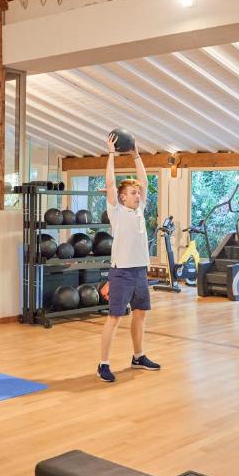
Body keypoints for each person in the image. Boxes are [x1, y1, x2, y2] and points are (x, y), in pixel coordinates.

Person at [98, 133, 160, 383]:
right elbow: (110, 182)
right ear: (123, 197)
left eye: (138, 193)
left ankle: (138, 356)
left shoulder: (140, 210)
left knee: (140, 313)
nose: (137, 195)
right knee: (114, 318)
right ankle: (103, 363)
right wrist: (111, 154)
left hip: (139, 271)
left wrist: (136, 155)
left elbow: (144, 181)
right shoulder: (116, 210)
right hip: (121, 272)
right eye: (133, 193)